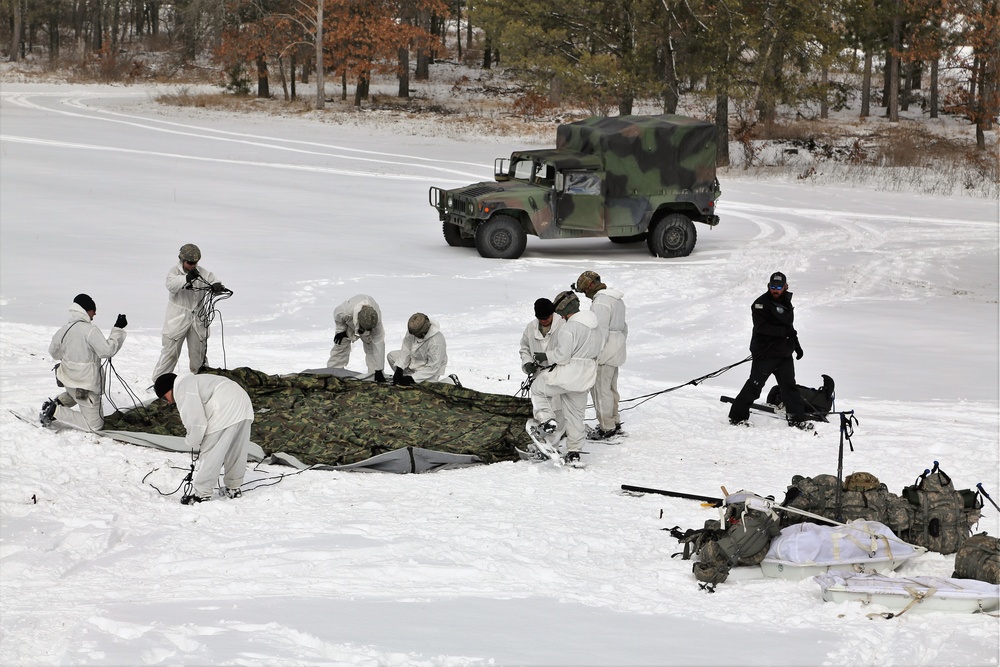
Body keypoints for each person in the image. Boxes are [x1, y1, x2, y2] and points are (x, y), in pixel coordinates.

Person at [153, 372, 255, 505]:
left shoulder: (182, 388)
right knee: (236, 449)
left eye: (164, 398)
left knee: (211, 451)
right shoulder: (195, 381)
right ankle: (233, 488)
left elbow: (196, 421)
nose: (166, 402)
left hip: (224, 404)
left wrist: (192, 440)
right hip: (243, 403)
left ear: (168, 388)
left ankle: (202, 494)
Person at [728, 272, 809, 428]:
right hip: (766, 354)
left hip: (784, 355)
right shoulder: (760, 304)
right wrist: (785, 334)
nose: (775, 290)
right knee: (754, 386)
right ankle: (737, 417)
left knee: (789, 388)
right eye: (773, 287)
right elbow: (762, 327)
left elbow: (789, 328)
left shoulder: (786, 302)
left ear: (786, 286)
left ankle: (797, 419)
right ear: (768, 286)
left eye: (779, 287)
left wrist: (796, 345)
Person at [529, 291, 602, 464]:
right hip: (586, 376)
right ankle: (574, 452)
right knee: (576, 415)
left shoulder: (569, 328)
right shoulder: (596, 327)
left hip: (568, 373)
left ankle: (547, 420)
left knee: (538, 389)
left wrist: (545, 356)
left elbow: (562, 356)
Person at [41, 294, 127, 432]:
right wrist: (118, 329)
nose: (95, 313)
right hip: (85, 386)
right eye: (94, 310)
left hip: (69, 381)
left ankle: (59, 402)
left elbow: (54, 352)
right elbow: (107, 351)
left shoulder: (64, 329)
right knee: (95, 426)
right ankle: (55, 411)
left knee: (73, 394)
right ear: (86, 310)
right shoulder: (90, 330)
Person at [150, 243, 227, 384]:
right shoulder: (174, 273)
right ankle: (159, 384)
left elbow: (213, 280)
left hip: (197, 320)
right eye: (190, 262)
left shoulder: (203, 273)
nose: (193, 265)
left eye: (195, 262)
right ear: (182, 260)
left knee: (199, 356)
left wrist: (217, 286)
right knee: (170, 354)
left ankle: (203, 383)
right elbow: (171, 286)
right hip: (177, 320)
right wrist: (186, 278)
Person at [574, 270, 627, 439]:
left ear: (590, 286)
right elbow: (624, 327)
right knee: (611, 388)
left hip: (605, 352)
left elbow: (600, 331)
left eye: (584, 291)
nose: (585, 295)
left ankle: (606, 427)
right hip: (617, 348)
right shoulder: (616, 299)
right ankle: (614, 421)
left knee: (600, 390)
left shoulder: (601, 302)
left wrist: (593, 353)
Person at [327, 294, 386, 382]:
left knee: (371, 347)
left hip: (367, 324)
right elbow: (337, 316)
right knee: (340, 345)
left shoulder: (376, 322)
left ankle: (373, 375)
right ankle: (333, 373)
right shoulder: (345, 312)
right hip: (348, 323)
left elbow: (379, 344)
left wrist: (379, 369)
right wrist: (341, 330)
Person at [387, 313, 450, 385]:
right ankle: (407, 379)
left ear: (423, 333)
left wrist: (412, 378)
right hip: (415, 360)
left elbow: (433, 367)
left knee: (427, 387)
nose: (413, 336)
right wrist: (400, 368)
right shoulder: (413, 329)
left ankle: (449, 380)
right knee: (391, 356)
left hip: (429, 370)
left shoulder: (436, 342)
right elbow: (406, 348)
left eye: (416, 335)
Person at [519, 298, 562, 377]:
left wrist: (548, 356)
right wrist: (527, 363)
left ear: (552, 313)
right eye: (540, 318)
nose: (543, 320)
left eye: (546, 318)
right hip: (538, 378)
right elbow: (525, 348)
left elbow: (566, 351)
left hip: (559, 377)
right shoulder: (531, 328)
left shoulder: (563, 326)